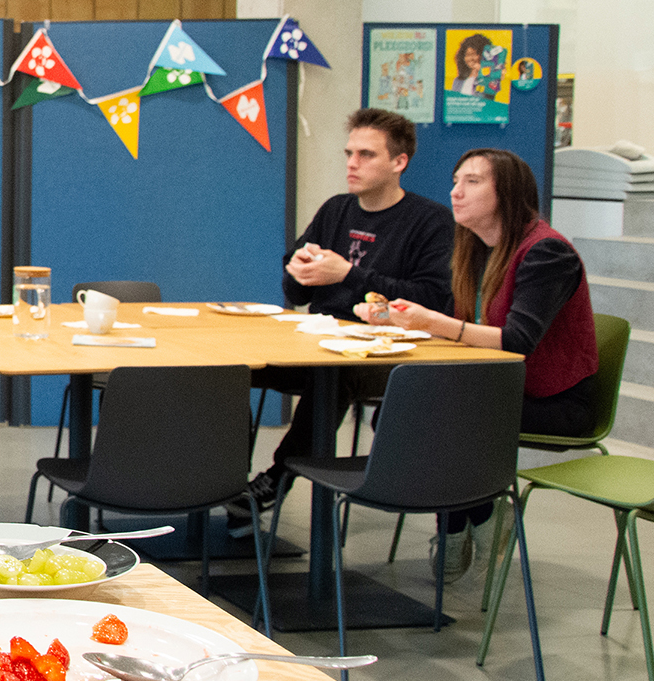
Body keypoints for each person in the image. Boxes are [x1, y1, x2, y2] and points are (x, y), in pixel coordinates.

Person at [369, 148, 599, 581]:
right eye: (455, 181)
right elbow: (464, 325)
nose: (455, 192)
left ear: (507, 193)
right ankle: (478, 516)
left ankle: (463, 523)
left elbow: (516, 342)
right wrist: (396, 315)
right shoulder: (475, 250)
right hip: (497, 388)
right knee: (396, 411)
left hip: (557, 402)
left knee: (434, 414)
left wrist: (434, 323)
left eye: (472, 181)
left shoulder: (548, 253)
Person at [235, 108, 454, 527]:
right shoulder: (336, 210)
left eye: (367, 155)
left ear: (399, 162)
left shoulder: (430, 221)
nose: (352, 163)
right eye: (349, 153)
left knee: (333, 376)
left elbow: (432, 298)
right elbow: (295, 293)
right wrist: (297, 271)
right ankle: (227, 480)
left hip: (388, 355)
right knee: (231, 367)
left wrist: (349, 275)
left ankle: (278, 478)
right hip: (320, 338)